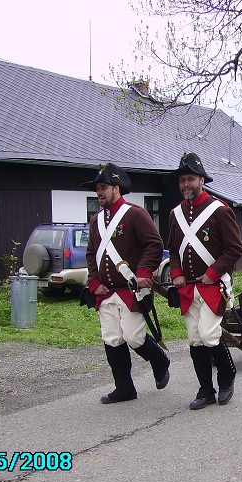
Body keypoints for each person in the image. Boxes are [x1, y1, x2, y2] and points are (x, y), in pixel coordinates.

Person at [82, 162, 169, 404]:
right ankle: (124, 388)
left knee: (133, 337)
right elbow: (92, 254)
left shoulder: (135, 214)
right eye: (97, 188)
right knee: (112, 338)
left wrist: (143, 272)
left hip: (131, 289)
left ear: (116, 188)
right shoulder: (96, 220)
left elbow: (154, 244)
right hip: (105, 291)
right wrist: (94, 281)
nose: (99, 192)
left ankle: (160, 359)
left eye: (103, 187)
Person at [165, 152, 242, 410]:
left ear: (201, 180)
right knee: (195, 339)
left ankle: (227, 376)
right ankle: (205, 390)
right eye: (182, 180)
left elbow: (234, 249)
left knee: (209, 335)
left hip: (214, 286)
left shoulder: (219, 210)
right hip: (188, 287)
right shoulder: (175, 214)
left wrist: (212, 273)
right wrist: (175, 272)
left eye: (190, 179)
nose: (186, 184)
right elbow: (174, 249)